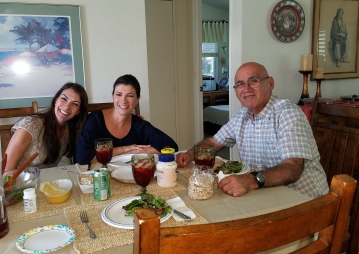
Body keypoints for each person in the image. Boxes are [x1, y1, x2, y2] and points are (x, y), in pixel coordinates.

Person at [176, 62, 329, 199]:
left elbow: (292, 168)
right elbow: (212, 142)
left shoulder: (287, 113)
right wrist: (190, 154)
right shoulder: (242, 116)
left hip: (304, 201)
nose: (246, 89)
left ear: (270, 83)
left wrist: (251, 180)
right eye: (240, 84)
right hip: (265, 195)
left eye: (253, 81)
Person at [76, 74, 178, 165]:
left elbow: (170, 145)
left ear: (137, 100)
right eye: (119, 94)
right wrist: (122, 149)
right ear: (113, 96)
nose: (123, 101)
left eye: (130, 96)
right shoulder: (95, 120)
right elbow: (83, 157)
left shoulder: (139, 124)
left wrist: (133, 152)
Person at [4, 82, 88, 171]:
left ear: (79, 111)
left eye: (75, 104)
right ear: (56, 100)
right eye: (64, 99)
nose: (67, 107)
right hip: (20, 182)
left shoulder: (69, 130)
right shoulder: (30, 124)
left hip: (47, 181)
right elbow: (6, 170)